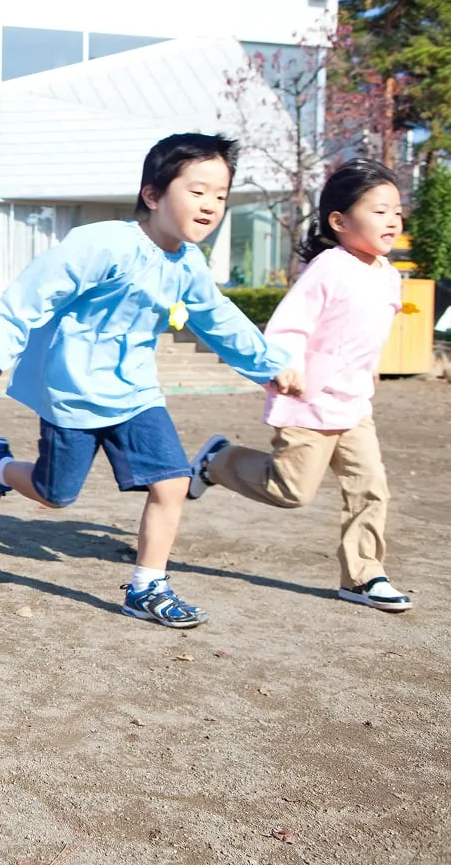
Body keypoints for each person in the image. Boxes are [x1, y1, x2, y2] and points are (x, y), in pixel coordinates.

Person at [0, 133, 301, 629]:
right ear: (152, 194)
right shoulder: (104, 243)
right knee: (56, 494)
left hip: (137, 393)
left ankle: (147, 586)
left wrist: (269, 364)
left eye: (221, 196)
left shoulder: (188, 264)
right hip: (73, 393)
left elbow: (218, 318)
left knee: (173, 481)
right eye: (197, 191)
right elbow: (35, 291)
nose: (210, 206)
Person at [189, 159, 412, 612]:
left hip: (353, 406)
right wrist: (284, 367)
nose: (393, 220)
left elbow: (366, 328)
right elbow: (290, 326)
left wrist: (369, 366)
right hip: (308, 401)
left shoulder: (387, 271)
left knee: (370, 487)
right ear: (340, 221)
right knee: (291, 491)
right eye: (380, 210)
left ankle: (363, 575)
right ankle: (218, 461)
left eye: (397, 211)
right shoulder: (330, 267)